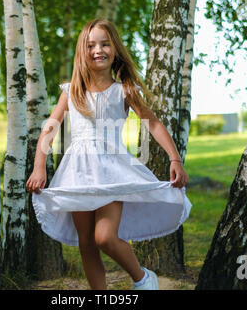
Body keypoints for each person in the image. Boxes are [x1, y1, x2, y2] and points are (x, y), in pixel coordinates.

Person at [26, 19, 192, 290]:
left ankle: (142, 278)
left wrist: (174, 158)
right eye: (91, 45)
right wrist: (39, 166)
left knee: (104, 237)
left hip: (111, 170)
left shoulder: (123, 91)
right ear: (83, 51)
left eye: (104, 44)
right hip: (77, 173)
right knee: (87, 243)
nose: (97, 50)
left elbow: (152, 122)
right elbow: (50, 128)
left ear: (115, 48)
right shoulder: (71, 91)